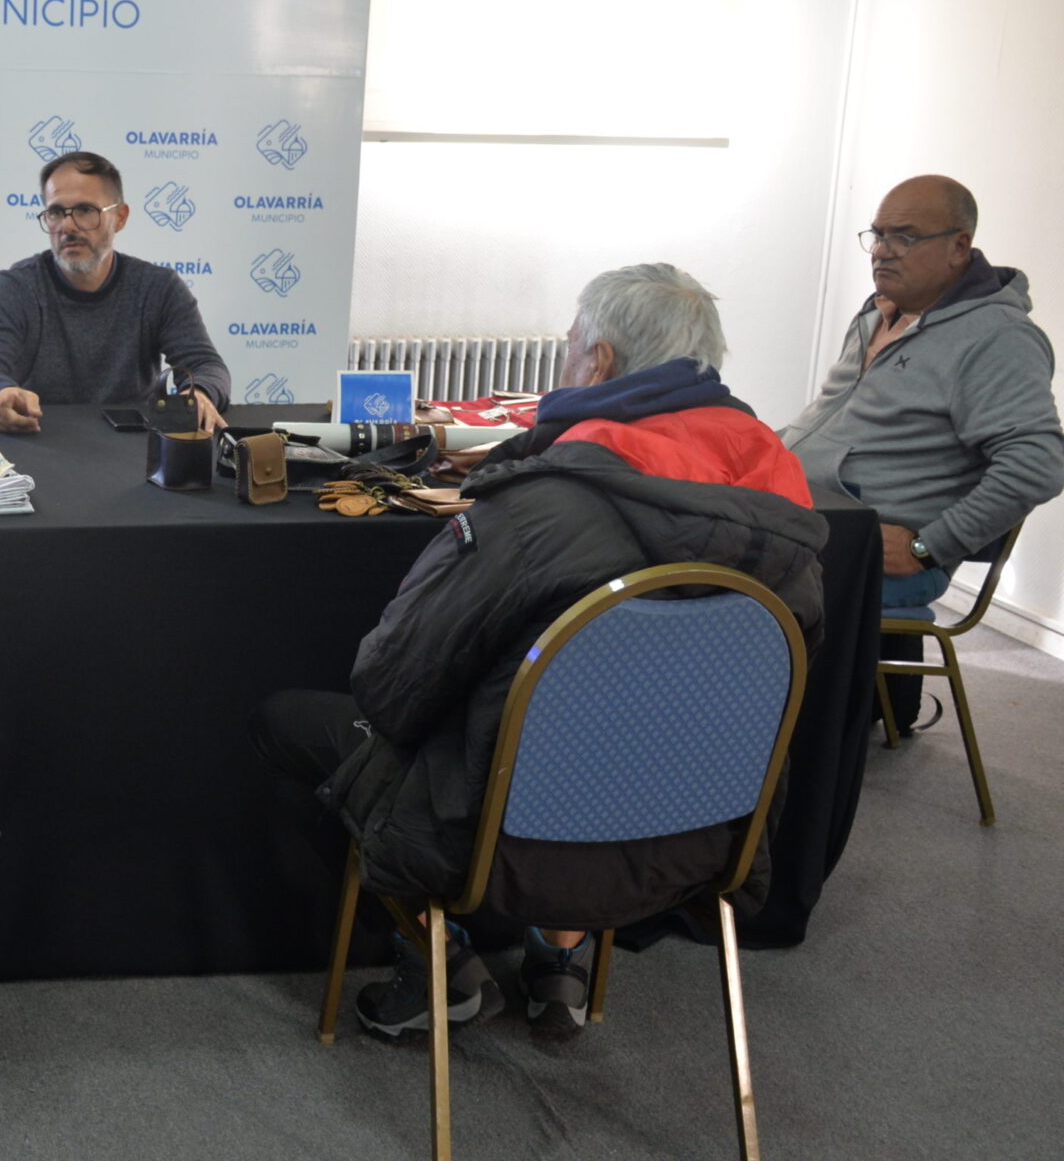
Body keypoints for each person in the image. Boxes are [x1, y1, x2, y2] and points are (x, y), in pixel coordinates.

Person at [252, 264, 827, 1042]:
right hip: (702, 842)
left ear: (599, 362)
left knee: (294, 721)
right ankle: (559, 961)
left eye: (570, 345)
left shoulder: (540, 509)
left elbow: (390, 686)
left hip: (502, 841)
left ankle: (440, 966)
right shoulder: (790, 519)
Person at [784, 174, 1064, 608]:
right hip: (808, 520)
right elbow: (833, 422)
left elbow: (1038, 464)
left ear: (959, 246)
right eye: (878, 235)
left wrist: (927, 547)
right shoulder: (877, 312)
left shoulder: (997, 337)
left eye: (905, 237)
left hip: (865, 550)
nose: (881, 251)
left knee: (725, 580)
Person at [0, 150, 230, 434]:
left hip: (133, 443)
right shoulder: (13, 288)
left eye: (85, 210)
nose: (68, 226)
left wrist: (200, 394)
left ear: (120, 218)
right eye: (56, 212)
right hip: (38, 437)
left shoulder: (158, 288)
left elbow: (205, 365)